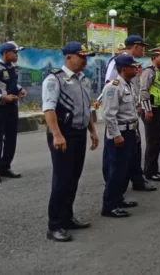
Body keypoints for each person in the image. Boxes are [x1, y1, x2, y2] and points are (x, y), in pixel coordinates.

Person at [42, 42, 100, 242]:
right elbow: (49, 110)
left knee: (73, 178)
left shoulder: (84, 79)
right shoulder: (55, 78)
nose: (85, 60)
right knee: (62, 180)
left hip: (79, 133)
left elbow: (87, 108)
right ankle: (55, 225)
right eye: (81, 56)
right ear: (68, 58)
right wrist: (57, 134)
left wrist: (92, 131)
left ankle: (67, 217)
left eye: (87, 57)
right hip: (63, 133)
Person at [101, 35, 156, 192]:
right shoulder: (118, 61)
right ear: (135, 46)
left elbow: (135, 87)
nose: (143, 50)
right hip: (119, 116)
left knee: (134, 149)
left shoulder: (133, 63)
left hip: (131, 112)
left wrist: (139, 105)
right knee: (115, 155)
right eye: (142, 46)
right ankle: (112, 186)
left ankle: (136, 180)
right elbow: (110, 85)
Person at [101, 54, 141, 218]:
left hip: (130, 131)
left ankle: (118, 198)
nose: (137, 69)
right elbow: (109, 115)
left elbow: (132, 112)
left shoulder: (129, 85)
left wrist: (136, 132)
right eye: (134, 67)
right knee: (116, 170)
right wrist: (116, 135)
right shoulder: (113, 87)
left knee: (124, 169)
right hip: (120, 133)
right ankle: (109, 205)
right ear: (124, 69)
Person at [139, 45, 160, 181]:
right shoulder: (149, 72)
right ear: (154, 58)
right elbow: (144, 91)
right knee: (152, 141)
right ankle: (149, 172)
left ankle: (154, 168)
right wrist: (148, 110)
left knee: (157, 141)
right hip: (152, 110)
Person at [0, 41, 27, 183]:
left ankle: (5, 166)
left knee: (11, 138)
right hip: (0, 107)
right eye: (14, 52)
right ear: (5, 53)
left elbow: (13, 83)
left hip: (12, 107)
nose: (16, 55)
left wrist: (20, 89)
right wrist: (2, 97)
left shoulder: (13, 67)